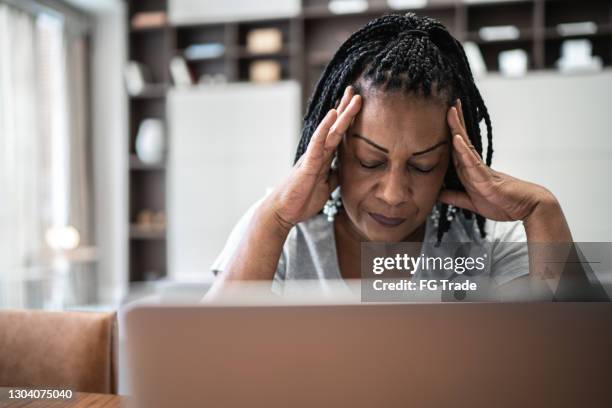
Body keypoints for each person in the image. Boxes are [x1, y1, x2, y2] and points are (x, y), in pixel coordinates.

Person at [206, 13, 576, 299]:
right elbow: (207, 362)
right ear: (337, 148)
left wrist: (541, 209)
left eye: (422, 165)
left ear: (452, 161)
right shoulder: (282, 231)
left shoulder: (487, 241)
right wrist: (273, 220)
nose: (393, 194)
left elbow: (573, 363)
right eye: (371, 160)